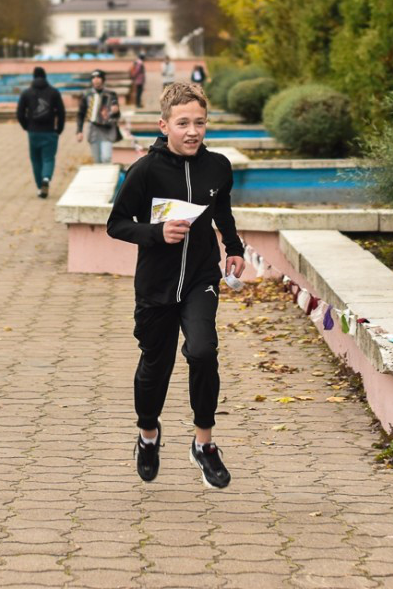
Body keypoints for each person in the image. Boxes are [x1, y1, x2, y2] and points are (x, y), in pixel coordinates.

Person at [106, 81, 245, 488]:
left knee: (203, 352)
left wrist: (233, 247)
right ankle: (148, 435)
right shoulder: (145, 171)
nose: (192, 131)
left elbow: (223, 211)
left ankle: (204, 444)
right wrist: (155, 233)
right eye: (183, 123)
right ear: (163, 125)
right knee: (156, 365)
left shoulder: (217, 166)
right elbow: (117, 224)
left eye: (200, 122)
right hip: (156, 285)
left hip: (202, 277)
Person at [17, 66, 65, 198]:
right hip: (50, 131)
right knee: (48, 158)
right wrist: (59, 129)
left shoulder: (26, 93)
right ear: (45, 76)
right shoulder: (54, 92)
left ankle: (40, 187)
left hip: (33, 132)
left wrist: (26, 126)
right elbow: (61, 113)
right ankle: (46, 178)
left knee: (36, 160)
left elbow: (20, 113)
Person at [76, 69, 121, 164]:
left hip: (108, 129)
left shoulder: (111, 94)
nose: (96, 80)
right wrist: (79, 131)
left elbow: (117, 114)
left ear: (103, 80)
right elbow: (81, 113)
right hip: (94, 130)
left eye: (98, 77)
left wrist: (116, 111)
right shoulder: (87, 95)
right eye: (93, 78)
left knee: (106, 157)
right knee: (97, 160)